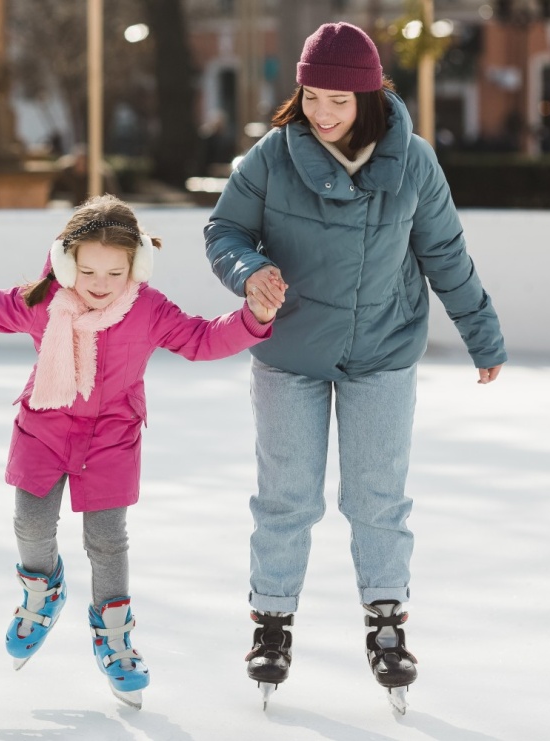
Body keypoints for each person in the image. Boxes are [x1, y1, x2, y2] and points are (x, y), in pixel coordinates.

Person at [0, 194, 281, 709]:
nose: (101, 285)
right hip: (44, 426)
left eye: (114, 272)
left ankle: (114, 635)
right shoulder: (42, 302)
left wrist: (253, 317)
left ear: (135, 267)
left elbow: (200, 339)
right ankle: (43, 592)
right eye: (88, 271)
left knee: (107, 541)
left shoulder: (148, 309)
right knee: (31, 524)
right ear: (66, 263)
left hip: (111, 437)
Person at [203, 22, 507, 712]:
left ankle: (387, 620)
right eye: (312, 97)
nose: (323, 113)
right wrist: (249, 271)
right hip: (290, 352)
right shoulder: (273, 157)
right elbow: (224, 230)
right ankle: (272, 622)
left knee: (377, 497)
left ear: (369, 96)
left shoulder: (416, 161)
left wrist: (481, 334)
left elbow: (446, 255)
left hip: (382, 349)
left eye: (338, 100)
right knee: (286, 496)